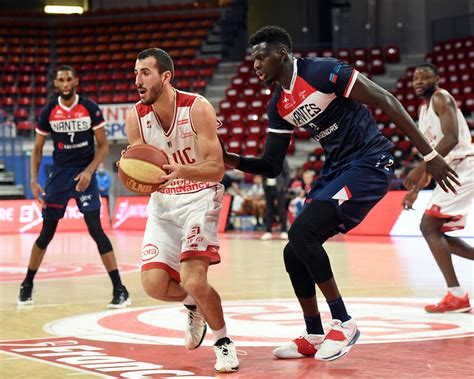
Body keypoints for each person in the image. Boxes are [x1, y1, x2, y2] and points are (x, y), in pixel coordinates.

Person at [220, 26, 459, 362]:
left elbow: (386, 99)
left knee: (301, 233)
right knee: (294, 251)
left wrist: (430, 156)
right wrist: (231, 160)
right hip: (337, 169)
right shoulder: (279, 103)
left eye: (261, 57)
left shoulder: (322, 71)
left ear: (282, 54)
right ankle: (314, 333)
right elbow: (272, 164)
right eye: (253, 59)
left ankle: (344, 322)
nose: (255, 65)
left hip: (370, 163)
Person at [123, 48, 239, 373]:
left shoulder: (197, 108)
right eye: (135, 73)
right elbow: (143, 173)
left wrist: (181, 171)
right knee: (154, 285)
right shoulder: (136, 117)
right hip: (164, 204)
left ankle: (224, 343)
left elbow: (216, 168)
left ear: (165, 76)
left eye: (145, 72)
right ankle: (193, 304)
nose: (137, 80)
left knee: (193, 278)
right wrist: (132, 173)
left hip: (200, 197)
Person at [17, 65, 130, 309]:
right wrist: (33, 181)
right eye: (61, 80)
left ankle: (119, 288)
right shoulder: (49, 111)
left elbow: (102, 146)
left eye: (69, 79)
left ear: (76, 81)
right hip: (59, 176)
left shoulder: (90, 108)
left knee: (96, 230)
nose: (66, 83)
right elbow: (37, 149)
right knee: (46, 233)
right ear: (56, 84)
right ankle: (27, 284)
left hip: (84, 175)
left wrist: (89, 172)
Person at [402, 62, 473, 313]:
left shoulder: (441, 98)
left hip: (464, 166)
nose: (419, 81)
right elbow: (435, 157)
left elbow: (451, 138)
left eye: (424, 77)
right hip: (450, 170)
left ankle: (456, 295)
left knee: (429, 226)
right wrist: (414, 191)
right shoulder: (423, 111)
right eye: (415, 78)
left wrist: (421, 168)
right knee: (435, 231)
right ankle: (456, 295)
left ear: (438, 79)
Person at [260, 158, 290, 240]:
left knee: (282, 210)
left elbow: (287, 174)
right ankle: (268, 231)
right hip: (268, 188)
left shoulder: (282, 158)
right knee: (269, 210)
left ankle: (284, 231)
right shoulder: (265, 158)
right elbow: (262, 172)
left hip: (279, 188)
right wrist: (264, 185)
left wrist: (285, 187)